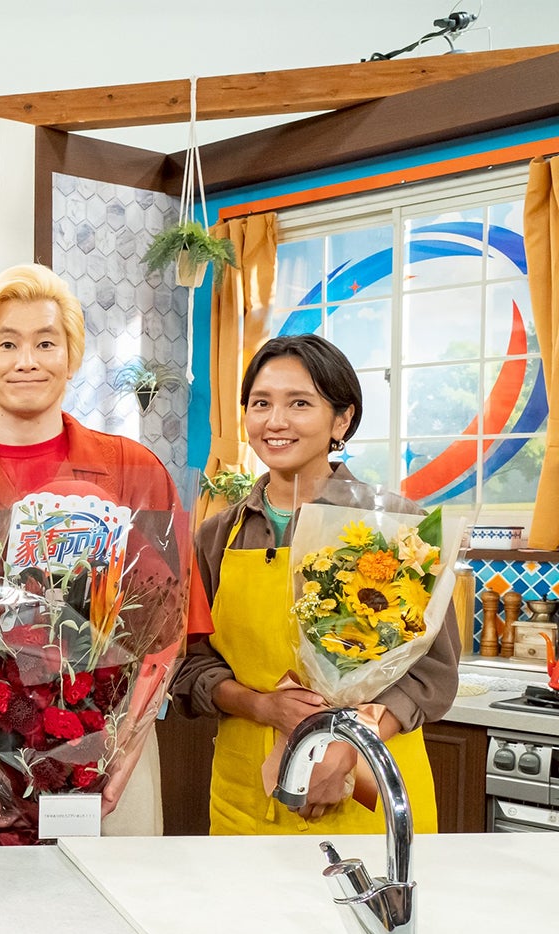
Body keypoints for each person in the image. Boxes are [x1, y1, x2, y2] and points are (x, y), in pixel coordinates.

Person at [0, 264, 211, 846]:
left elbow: (166, 634)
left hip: (108, 766)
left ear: (71, 358)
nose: (27, 360)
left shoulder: (132, 471)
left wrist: (124, 751)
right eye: (6, 344)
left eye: (46, 343)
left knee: (108, 905)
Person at [171, 334, 457, 834]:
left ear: (341, 420)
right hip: (247, 799)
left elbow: (431, 673)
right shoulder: (216, 535)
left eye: (299, 403)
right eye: (261, 403)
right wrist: (261, 705)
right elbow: (190, 663)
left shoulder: (395, 527)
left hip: (366, 791)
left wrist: (349, 745)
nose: (275, 421)